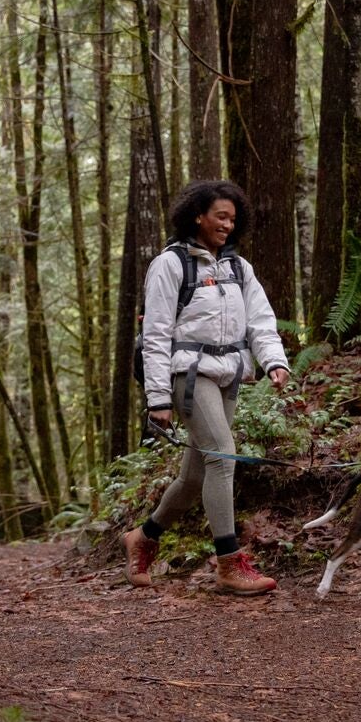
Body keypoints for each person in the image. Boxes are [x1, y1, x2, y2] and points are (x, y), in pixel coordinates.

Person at [124, 180, 291, 595]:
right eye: (220, 216)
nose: (227, 225)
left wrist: (274, 361)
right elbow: (157, 332)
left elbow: (261, 320)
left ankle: (143, 536)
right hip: (188, 374)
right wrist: (158, 398)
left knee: (197, 476)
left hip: (229, 374)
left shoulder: (239, 268)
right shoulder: (171, 264)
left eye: (233, 219)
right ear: (198, 215)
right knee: (223, 455)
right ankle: (229, 563)